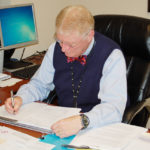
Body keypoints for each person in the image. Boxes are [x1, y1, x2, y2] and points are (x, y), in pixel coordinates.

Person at [5, 5, 127, 138]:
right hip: (62, 124)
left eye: (71, 44)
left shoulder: (111, 56)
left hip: (97, 126)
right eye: (60, 41)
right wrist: (20, 97)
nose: (63, 49)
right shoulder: (55, 49)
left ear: (89, 35)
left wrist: (82, 121)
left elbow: (114, 108)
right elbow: (39, 84)